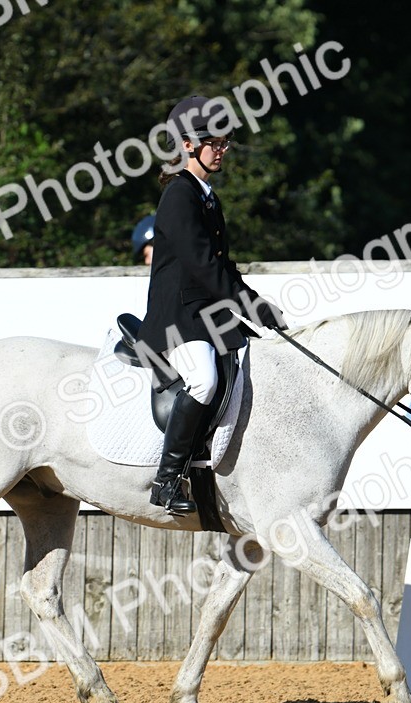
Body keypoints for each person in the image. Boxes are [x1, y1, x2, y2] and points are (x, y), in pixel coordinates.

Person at [136, 95, 287, 515]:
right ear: (187, 145)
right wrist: (248, 307)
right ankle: (166, 481)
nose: (221, 148)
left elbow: (223, 266)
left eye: (225, 141)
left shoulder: (206, 197)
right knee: (203, 380)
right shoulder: (179, 197)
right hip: (178, 319)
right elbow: (203, 268)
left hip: (205, 315)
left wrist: (258, 305)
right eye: (212, 141)